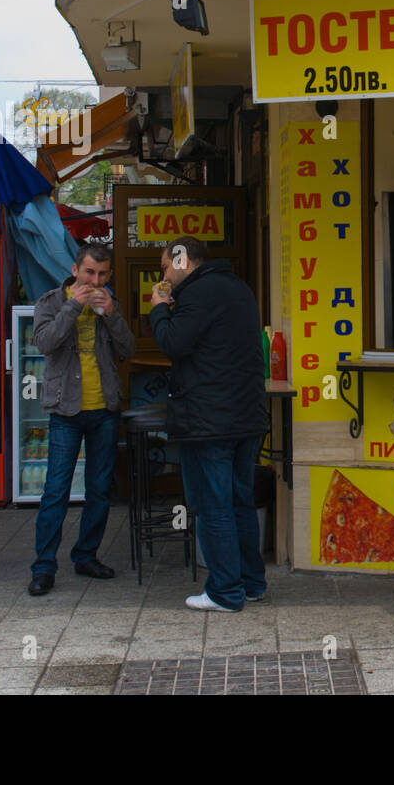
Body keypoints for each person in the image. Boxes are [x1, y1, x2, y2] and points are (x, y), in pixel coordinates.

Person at [150, 235, 268, 612]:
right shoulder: (239, 288)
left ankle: (224, 592)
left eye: (166, 267)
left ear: (184, 260)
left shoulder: (198, 294)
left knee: (214, 504)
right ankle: (251, 584)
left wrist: (158, 309)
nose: (165, 276)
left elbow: (172, 343)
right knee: (239, 502)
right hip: (246, 416)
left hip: (209, 420)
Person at [28, 242, 136, 596]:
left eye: (103, 274)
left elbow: (128, 350)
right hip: (65, 411)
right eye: (90, 272)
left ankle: (86, 556)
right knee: (56, 491)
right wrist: (74, 305)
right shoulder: (51, 302)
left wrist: (112, 316)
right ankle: (43, 568)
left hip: (104, 408)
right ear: (76, 270)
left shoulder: (110, 302)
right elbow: (45, 342)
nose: (96, 280)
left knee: (100, 490)